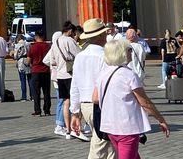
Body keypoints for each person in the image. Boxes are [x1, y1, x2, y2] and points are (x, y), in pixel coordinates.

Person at [93, 39, 170, 158]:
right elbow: (144, 102)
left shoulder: (103, 73)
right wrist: (161, 119)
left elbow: (95, 98)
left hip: (109, 125)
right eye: (129, 50)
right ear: (121, 53)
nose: (131, 53)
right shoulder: (129, 75)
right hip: (127, 127)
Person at [69, 18, 114, 159]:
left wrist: (75, 112)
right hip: (102, 104)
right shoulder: (104, 56)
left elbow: (74, 86)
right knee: (100, 144)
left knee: (109, 142)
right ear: (100, 35)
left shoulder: (80, 56)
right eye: (104, 33)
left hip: (85, 104)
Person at [28, 31, 51, 116]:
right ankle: (47, 110)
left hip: (36, 71)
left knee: (36, 92)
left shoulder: (33, 47)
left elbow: (29, 60)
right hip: (46, 71)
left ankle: (37, 111)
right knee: (46, 92)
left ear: (36, 37)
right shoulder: (48, 46)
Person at [12, 34, 31, 101]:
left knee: (22, 80)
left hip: (21, 62)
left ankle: (24, 96)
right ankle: (32, 96)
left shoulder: (17, 45)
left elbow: (15, 56)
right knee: (30, 80)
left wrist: (14, 57)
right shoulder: (28, 44)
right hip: (28, 61)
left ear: (17, 39)